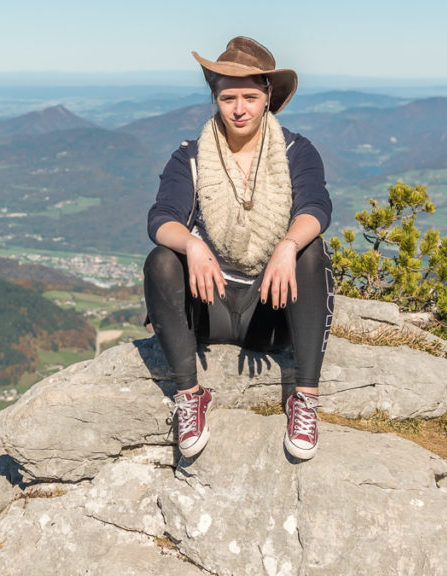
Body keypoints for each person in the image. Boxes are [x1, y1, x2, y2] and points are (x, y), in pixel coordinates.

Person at [144, 36, 334, 460]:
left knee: (311, 250)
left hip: (271, 308)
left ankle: (304, 399)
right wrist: (192, 244)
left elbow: (316, 207)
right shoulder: (191, 158)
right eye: (228, 97)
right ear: (215, 99)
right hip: (208, 306)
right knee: (161, 260)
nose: (239, 108)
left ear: (269, 97)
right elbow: (161, 219)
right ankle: (190, 396)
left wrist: (288, 245)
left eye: (250, 96)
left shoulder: (295, 152)